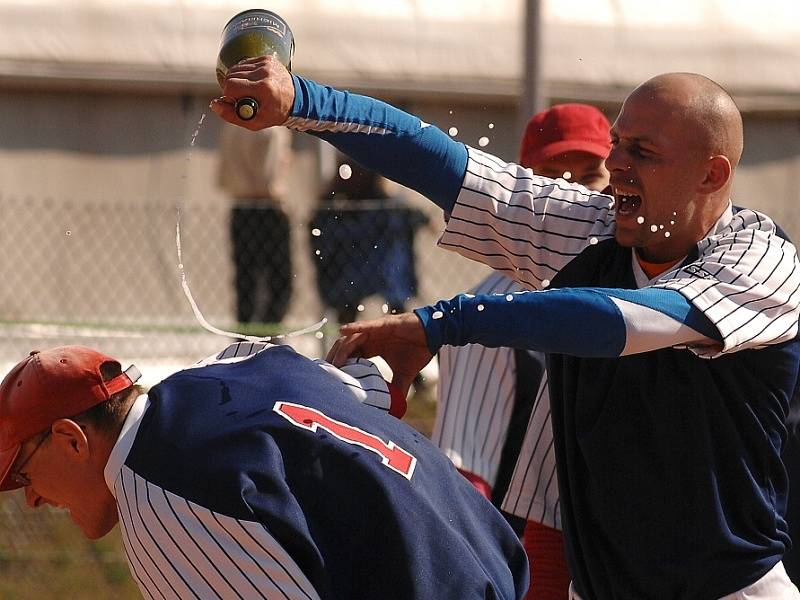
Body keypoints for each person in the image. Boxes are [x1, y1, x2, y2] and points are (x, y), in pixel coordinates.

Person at [211, 58, 800, 598]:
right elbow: (439, 160)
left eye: (642, 152)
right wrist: (302, 101)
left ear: (711, 173)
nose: (615, 164)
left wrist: (440, 323)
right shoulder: (592, 226)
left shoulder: (760, 259)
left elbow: (621, 322)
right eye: (617, 145)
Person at [0, 342, 528, 599]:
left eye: (23, 475)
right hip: (487, 559)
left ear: (71, 439)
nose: (31, 500)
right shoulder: (231, 366)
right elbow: (367, 385)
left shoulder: (156, 502)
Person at [434, 104, 611, 600]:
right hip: (520, 562)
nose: (575, 192)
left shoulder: (637, 290)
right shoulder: (483, 316)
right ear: (525, 190)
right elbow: (464, 478)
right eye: (552, 176)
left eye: (589, 174)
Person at [310, 156, 427, 324]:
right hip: (355, 265)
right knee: (350, 300)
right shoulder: (341, 201)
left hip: (378, 265)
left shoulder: (386, 203)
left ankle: (394, 332)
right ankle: (352, 339)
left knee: (389, 299)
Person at [217, 124, 293, 325]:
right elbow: (268, 177)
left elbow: (222, 176)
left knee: (246, 281)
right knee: (280, 280)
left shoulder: (231, 128)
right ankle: (268, 335)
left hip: (241, 208)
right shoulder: (272, 129)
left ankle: (246, 335)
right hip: (267, 208)